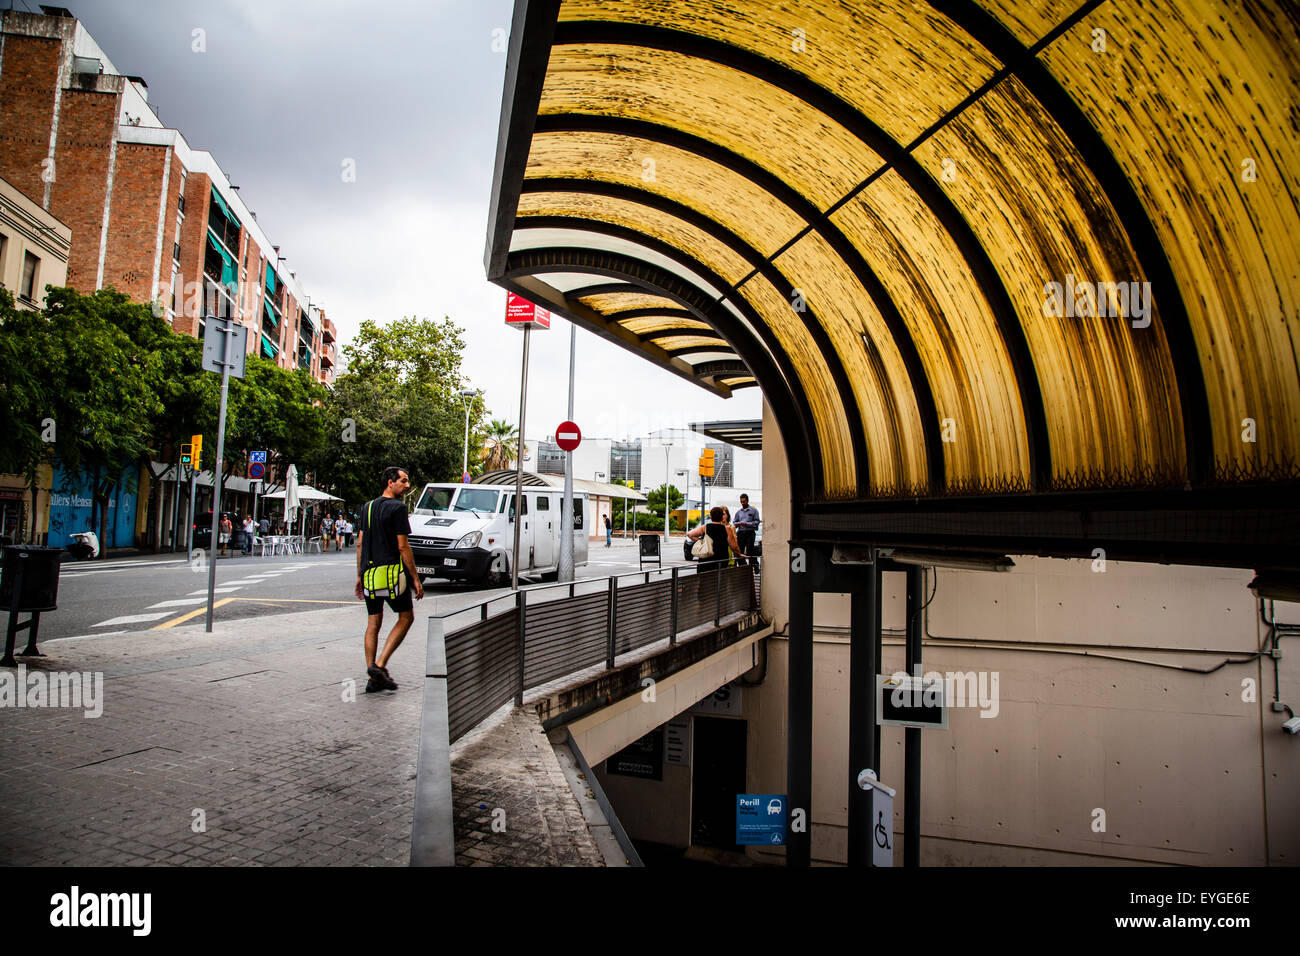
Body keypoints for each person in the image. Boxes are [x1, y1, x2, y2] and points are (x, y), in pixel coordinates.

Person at [356, 466, 423, 693]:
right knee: (406, 617)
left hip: (370, 575)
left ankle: (372, 673)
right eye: (403, 481)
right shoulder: (398, 508)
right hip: (392, 575)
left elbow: (360, 543)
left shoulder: (368, 507)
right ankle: (380, 665)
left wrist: (359, 575)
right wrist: (415, 578)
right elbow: (403, 546)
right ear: (390, 483)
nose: (407, 485)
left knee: (373, 622)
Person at [685, 506, 741, 570]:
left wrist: (702, 541)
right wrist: (739, 554)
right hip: (721, 559)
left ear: (711, 517)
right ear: (721, 517)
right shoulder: (727, 529)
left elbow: (690, 534)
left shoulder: (705, 527)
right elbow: (734, 546)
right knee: (718, 578)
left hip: (706, 558)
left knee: (706, 578)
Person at [733, 494, 760, 565]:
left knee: (750, 550)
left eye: (744, 501)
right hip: (741, 532)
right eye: (741, 502)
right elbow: (734, 522)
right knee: (740, 550)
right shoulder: (738, 512)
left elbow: (757, 522)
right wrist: (738, 524)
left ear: (747, 501)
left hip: (750, 532)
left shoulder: (754, 511)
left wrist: (747, 524)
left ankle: (753, 565)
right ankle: (743, 566)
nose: (742, 503)